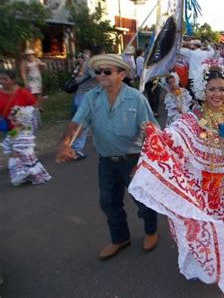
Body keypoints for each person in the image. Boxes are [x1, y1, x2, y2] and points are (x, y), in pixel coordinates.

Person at [128, 65, 224, 295]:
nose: (217, 94)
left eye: (222, 89)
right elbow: (171, 139)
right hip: (204, 184)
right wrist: (152, 143)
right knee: (204, 222)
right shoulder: (192, 119)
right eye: (212, 89)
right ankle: (203, 263)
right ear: (202, 90)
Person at [55, 54, 159, 260]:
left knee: (143, 201)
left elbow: (154, 132)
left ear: (122, 74)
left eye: (107, 71)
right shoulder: (91, 98)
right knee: (109, 202)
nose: (101, 75)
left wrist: (146, 161)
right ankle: (120, 238)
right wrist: (64, 144)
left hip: (134, 160)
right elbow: (76, 123)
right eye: (98, 71)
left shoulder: (137, 99)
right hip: (106, 161)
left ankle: (151, 230)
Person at [1, 106, 51, 186]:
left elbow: (22, 141)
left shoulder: (26, 130)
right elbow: (10, 139)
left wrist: (14, 150)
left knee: (20, 165)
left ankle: (25, 175)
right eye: (11, 120)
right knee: (24, 165)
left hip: (22, 152)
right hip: (21, 153)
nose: (12, 122)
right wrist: (10, 149)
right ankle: (26, 174)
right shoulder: (20, 129)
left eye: (14, 120)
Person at [70, 46, 104, 160]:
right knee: (83, 123)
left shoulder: (93, 63)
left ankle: (102, 142)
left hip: (89, 95)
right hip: (84, 96)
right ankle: (75, 149)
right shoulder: (91, 64)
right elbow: (99, 78)